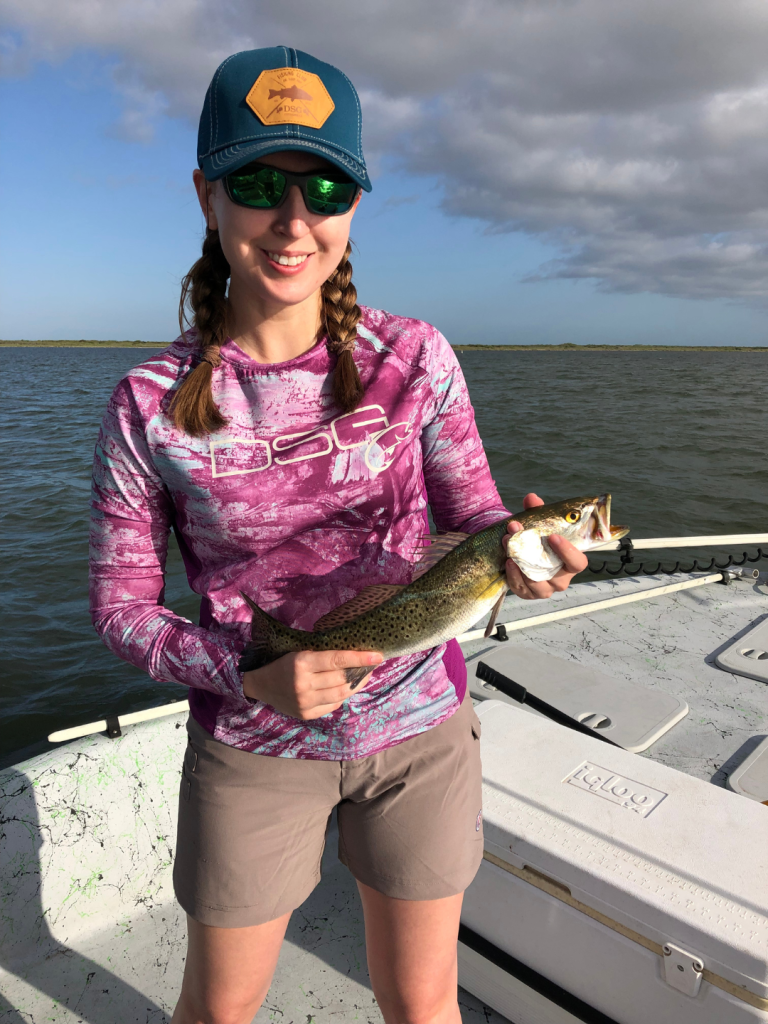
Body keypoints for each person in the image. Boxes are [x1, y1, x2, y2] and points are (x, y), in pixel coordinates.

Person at [89, 46, 588, 1024]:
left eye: (322, 184)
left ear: (354, 202)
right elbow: (118, 611)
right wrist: (248, 671)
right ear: (207, 195)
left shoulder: (416, 356)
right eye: (258, 182)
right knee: (219, 1009)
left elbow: (476, 516)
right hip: (253, 745)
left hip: (421, 738)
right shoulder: (147, 403)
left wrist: (527, 556)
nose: (293, 218)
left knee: (425, 1001)